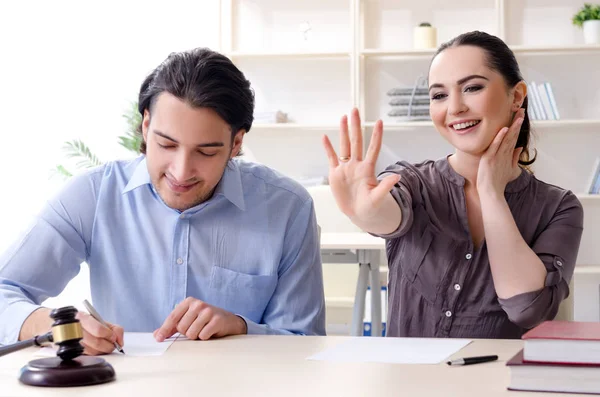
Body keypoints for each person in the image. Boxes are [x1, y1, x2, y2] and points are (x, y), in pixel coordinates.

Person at [0, 48, 326, 354]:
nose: (181, 172)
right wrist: (54, 326)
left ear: (236, 143)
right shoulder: (93, 196)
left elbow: (304, 342)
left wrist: (241, 327)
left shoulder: (288, 209)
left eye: (206, 151)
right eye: (166, 145)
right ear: (145, 126)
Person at [322, 31, 584, 339]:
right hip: (408, 384)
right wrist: (364, 214)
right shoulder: (412, 182)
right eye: (439, 95)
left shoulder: (559, 208)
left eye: (472, 87)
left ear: (516, 96)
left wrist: (491, 192)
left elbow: (526, 307)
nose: (455, 108)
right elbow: (388, 216)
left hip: (496, 385)